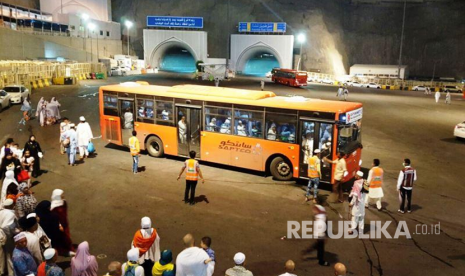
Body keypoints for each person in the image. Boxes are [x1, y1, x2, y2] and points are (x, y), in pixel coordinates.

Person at [0, 199, 18, 276]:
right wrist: (11, 234)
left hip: (1, 236)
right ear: (11, 205)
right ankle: (11, 273)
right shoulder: (11, 214)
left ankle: (2, 271)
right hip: (6, 237)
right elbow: (7, 227)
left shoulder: (1, 212)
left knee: (1, 255)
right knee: (9, 255)